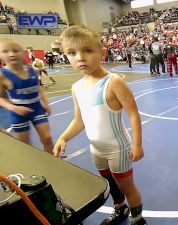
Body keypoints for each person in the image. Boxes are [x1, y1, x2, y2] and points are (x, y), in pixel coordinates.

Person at [53, 25, 147, 225]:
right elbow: (79, 120)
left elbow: (133, 114)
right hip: (96, 149)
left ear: (101, 53)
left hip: (117, 149)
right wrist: (63, 137)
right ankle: (119, 209)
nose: (80, 57)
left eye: (87, 50)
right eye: (72, 53)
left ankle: (137, 219)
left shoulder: (113, 82)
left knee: (127, 187)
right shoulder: (76, 87)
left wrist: (137, 144)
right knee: (111, 185)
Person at [0, 38, 54, 153]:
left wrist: (46, 103)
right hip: (18, 113)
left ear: (22, 52)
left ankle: (52, 162)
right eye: (5, 51)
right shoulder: (2, 75)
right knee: (26, 145)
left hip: (37, 108)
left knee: (48, 138)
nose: (11, 54)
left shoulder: (32, 70)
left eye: (15, 51)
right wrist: (14, 108)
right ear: (0, 55)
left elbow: (38, 87)